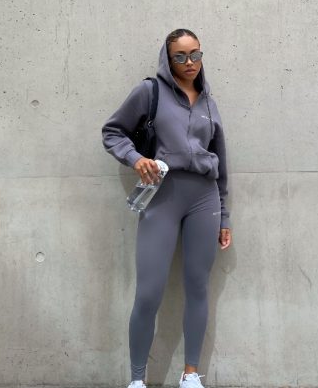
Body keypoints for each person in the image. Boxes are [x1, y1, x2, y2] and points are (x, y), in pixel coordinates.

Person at [102, 29, 232, 388]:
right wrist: (135, 158)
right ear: (167, 57)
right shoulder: (150, 91)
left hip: (205, 198)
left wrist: (224, 215)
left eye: (195, 54)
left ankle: (190, 374)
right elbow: (112, 132)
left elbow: (221, 163)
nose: (190, 62)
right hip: (163, 195)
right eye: (180, 56)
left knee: (198, 287)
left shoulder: (209, 103)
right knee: (149, 292)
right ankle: (137, 380)